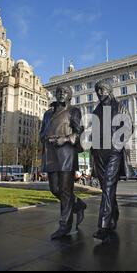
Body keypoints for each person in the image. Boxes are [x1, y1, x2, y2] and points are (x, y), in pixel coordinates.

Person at [40, 85, 87, 240]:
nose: (61, 94)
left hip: (66, 152)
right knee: (55, 189)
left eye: (65, 92)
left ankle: (64, 226)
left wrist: (65, 139)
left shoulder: (73, 111)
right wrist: (43, 137)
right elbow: (43, 130)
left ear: (69, 96)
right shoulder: (48, 113)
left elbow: (78, 131)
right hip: (51, 152)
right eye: (59, 92)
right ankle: (78, 204)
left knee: (65, 190)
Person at [91, 80, 133, 243]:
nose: (99, 93)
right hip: (99, 154)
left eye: (102, 89)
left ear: (109, 90)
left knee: (108, 186)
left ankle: (103, 225)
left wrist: (118, 143)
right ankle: (113, 214)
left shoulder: (120, 107)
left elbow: (129, 127)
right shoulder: (96, 110)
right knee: (106, 188)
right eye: (97, 90)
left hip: (114, 152)